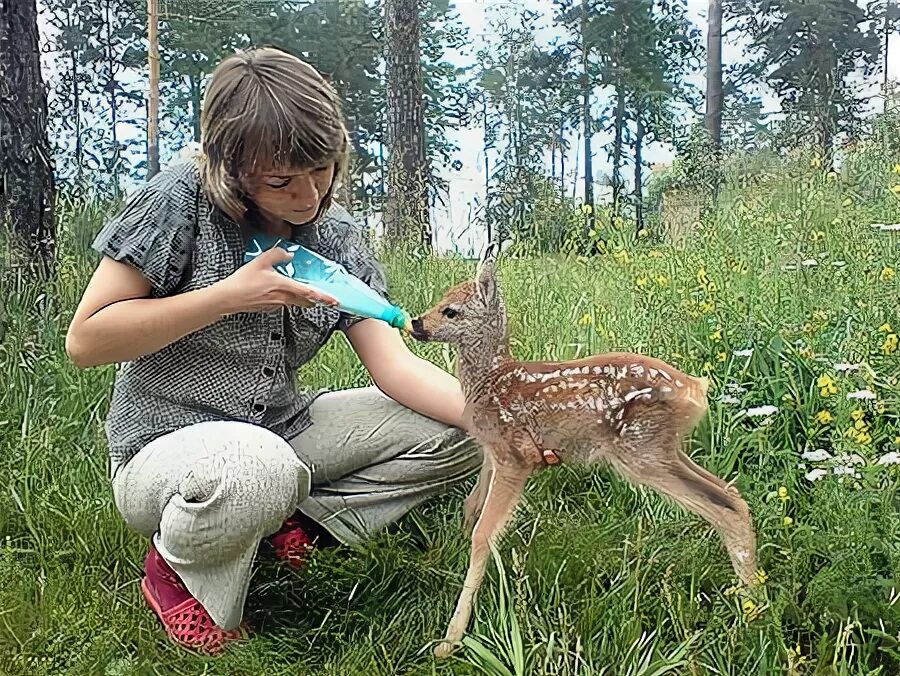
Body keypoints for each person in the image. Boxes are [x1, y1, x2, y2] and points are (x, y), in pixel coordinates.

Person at [64, 46, 481, 654]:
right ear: (230, 167)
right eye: (283, 181)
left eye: (323, 170)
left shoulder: (335, 235)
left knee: (468, 429)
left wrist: (511, 426)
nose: (309, 195)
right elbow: (87, 340)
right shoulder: (178, 200)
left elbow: (394, 366)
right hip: (161, 453)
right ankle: (175, 570)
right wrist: (227, 297)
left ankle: (301, 526)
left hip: (281, 430)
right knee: (256, 467)